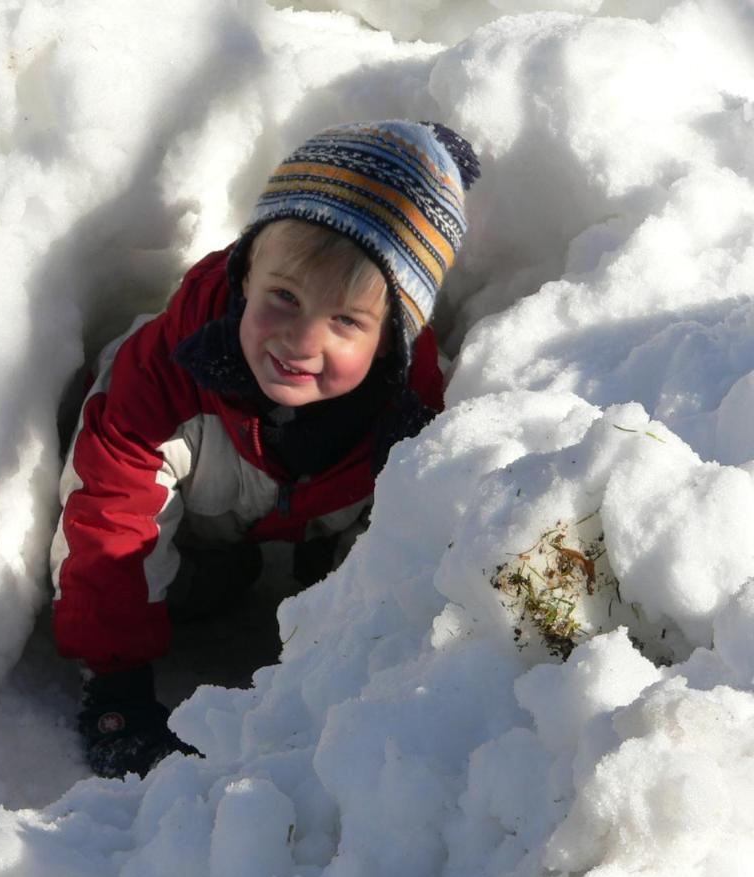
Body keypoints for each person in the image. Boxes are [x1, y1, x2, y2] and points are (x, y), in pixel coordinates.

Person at [50, 120, 480, 778]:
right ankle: (220, 572)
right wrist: (117, 683)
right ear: (245, 275)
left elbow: (408, 546)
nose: (301, 340)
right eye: (283, 297)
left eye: (345, 321)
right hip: (205, 512)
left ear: (391, 337)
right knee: (186, 588)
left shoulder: (409, 413)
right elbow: (111, 517)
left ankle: (313, 576)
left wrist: (354, 645)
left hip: (322, 505)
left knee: (357, 570)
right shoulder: (165, 370)